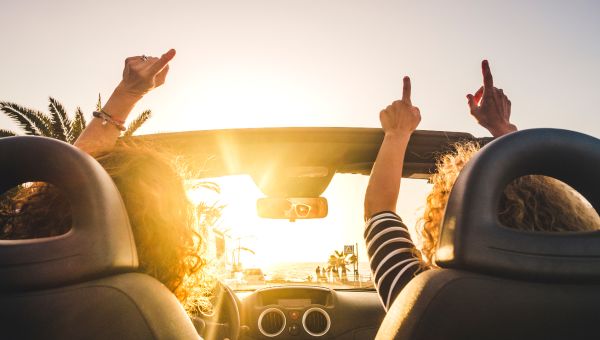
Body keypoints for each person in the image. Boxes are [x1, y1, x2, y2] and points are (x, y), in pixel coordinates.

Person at [363, 60, 600, 311]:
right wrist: (503, 128)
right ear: (561, 210)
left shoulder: (424, 301)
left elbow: (378, 211)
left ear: (449, 222)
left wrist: (397, 133)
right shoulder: (589, 298)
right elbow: (379, 213)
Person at [1, 49, 213, 315]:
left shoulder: (19, 300)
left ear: (51, 209)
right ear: (170, 236)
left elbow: (71, 177)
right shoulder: (151, 316)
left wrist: (127, 94)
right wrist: (128, 94)